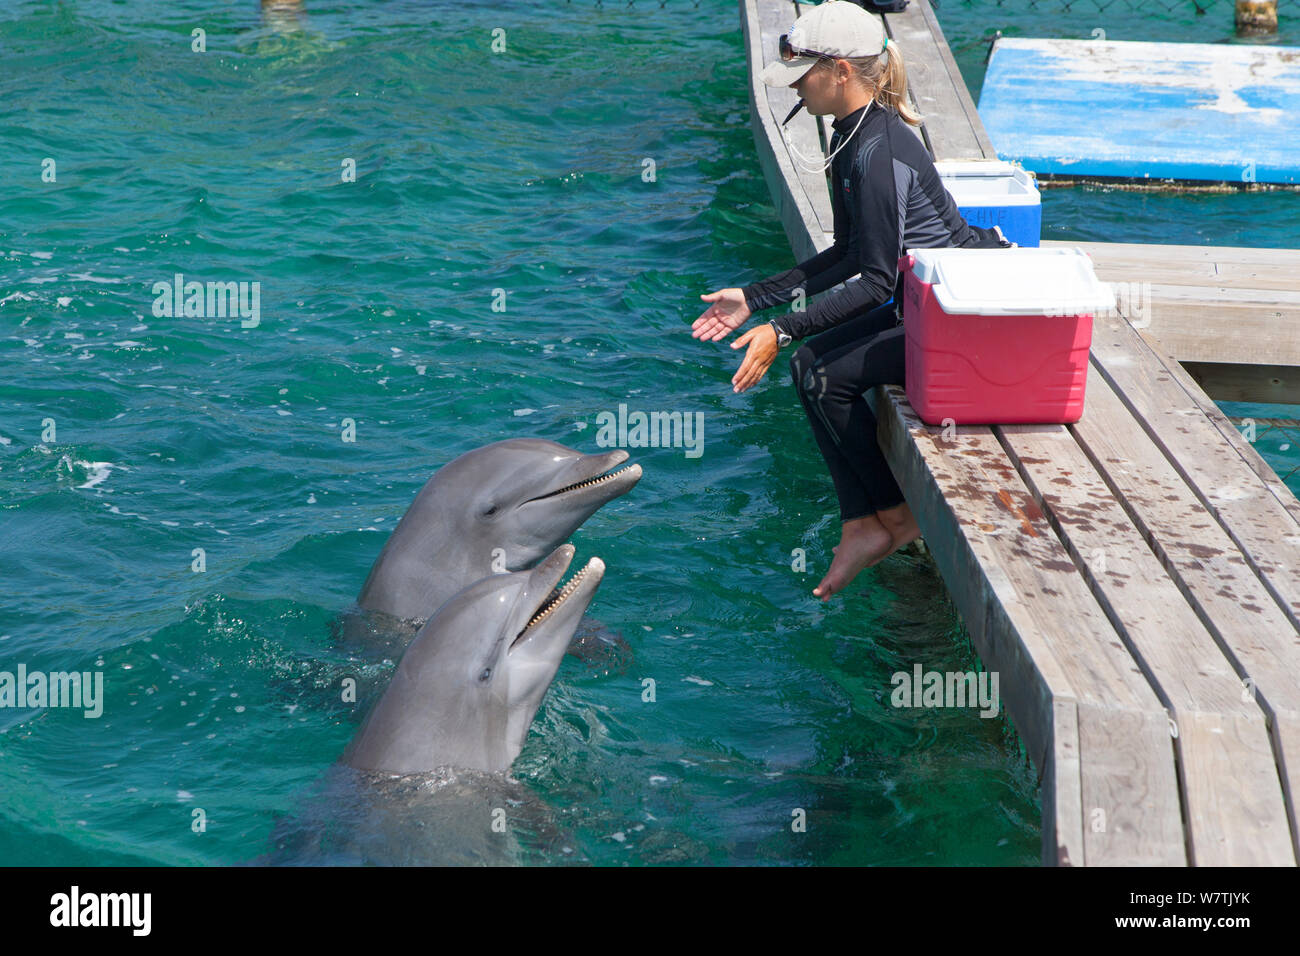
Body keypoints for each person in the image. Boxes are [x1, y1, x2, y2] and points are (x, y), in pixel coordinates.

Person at [692, 1, 1009, 601]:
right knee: (811, 370)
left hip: (958, 321)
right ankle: (866, 521)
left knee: (820, 374)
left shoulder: (878, 153)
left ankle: (893, 517)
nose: (796, 89)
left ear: (839, 71)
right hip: (921, 305)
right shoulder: (854, 136)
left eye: (801, 75)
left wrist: (783, 328)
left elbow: (874, 281)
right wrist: (754, 300)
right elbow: (849, 252)